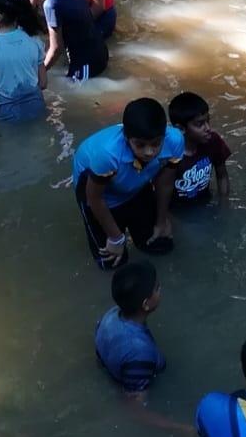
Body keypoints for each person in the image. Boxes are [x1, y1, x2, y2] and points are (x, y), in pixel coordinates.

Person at [72, 98, 184, 269]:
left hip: (137, 183)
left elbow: (165, 184)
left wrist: (162, 221)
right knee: (113, 262)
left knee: (161, 245)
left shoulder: (175, 141)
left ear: (164, 135)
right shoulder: (107, 154)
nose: (149, 152)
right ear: (126, 138)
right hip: (99, 191)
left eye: (156, 144)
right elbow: (94, 198)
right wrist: (116, 238)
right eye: (140, 145)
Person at [16, 0, 108, 81]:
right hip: (100, 50)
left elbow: (56, 49)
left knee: (74, 94)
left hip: (86, 64)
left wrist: (37, 74)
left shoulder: (51, 4)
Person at [95, 261, 165, 398]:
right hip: (137, 373)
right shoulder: (140, 353)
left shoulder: (111, 314)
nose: (160, 289)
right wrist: (173, 421)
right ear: (145, 304)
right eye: (157, 288)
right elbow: (135, 406)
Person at [168, 92, 231, 204]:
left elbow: (222, 175)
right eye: (199, 124)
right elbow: (161, 194)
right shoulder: (169, 154)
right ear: (180, 128)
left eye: (208, 121)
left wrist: (224, 204)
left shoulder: (213, 141)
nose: (208, 128)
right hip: (177, 209)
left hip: (205, 201)